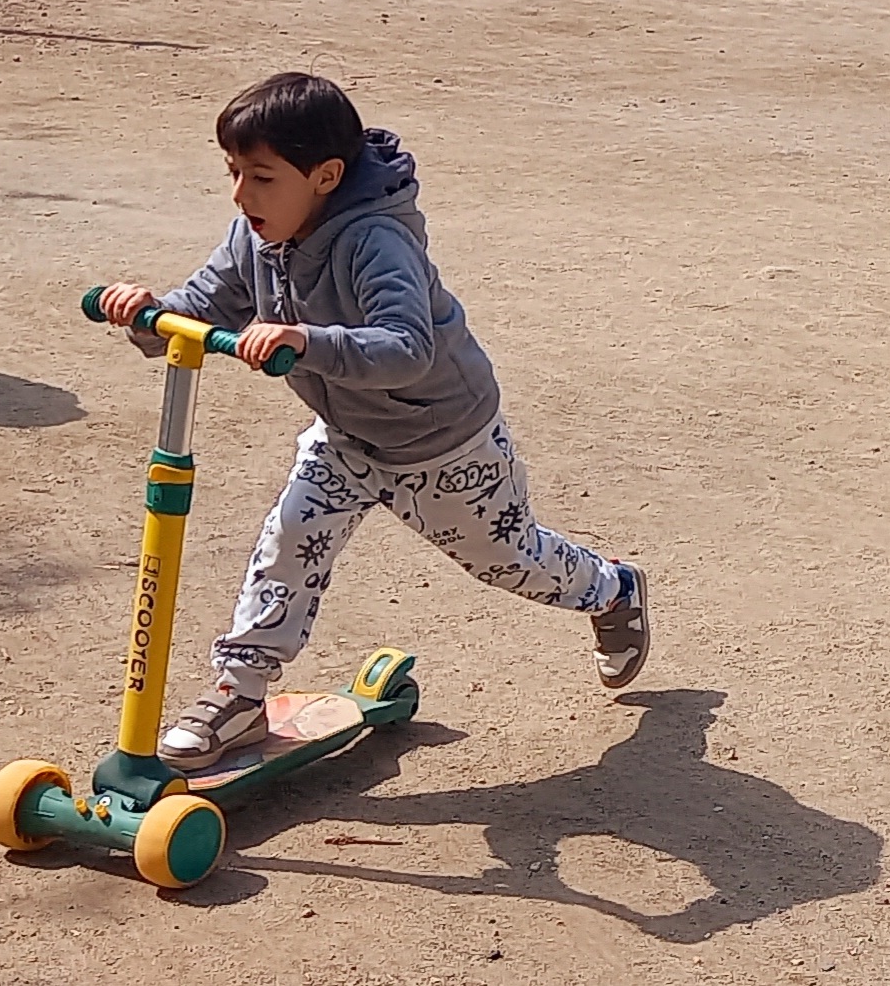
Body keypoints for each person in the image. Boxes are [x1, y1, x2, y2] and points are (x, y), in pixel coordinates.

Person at [93, 73, 651, 768]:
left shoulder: (374, 241)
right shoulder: (255, 236)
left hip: (442, 442)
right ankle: (240, 694)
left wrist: (307, 340)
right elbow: (201, 308)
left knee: (507, 561)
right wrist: (146, 315)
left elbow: (407, 348)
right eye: (233, 173)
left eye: (261, 177)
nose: (241, 195)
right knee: (288, 543)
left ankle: (610, 589)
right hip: (344, 440)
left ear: (325, 176)